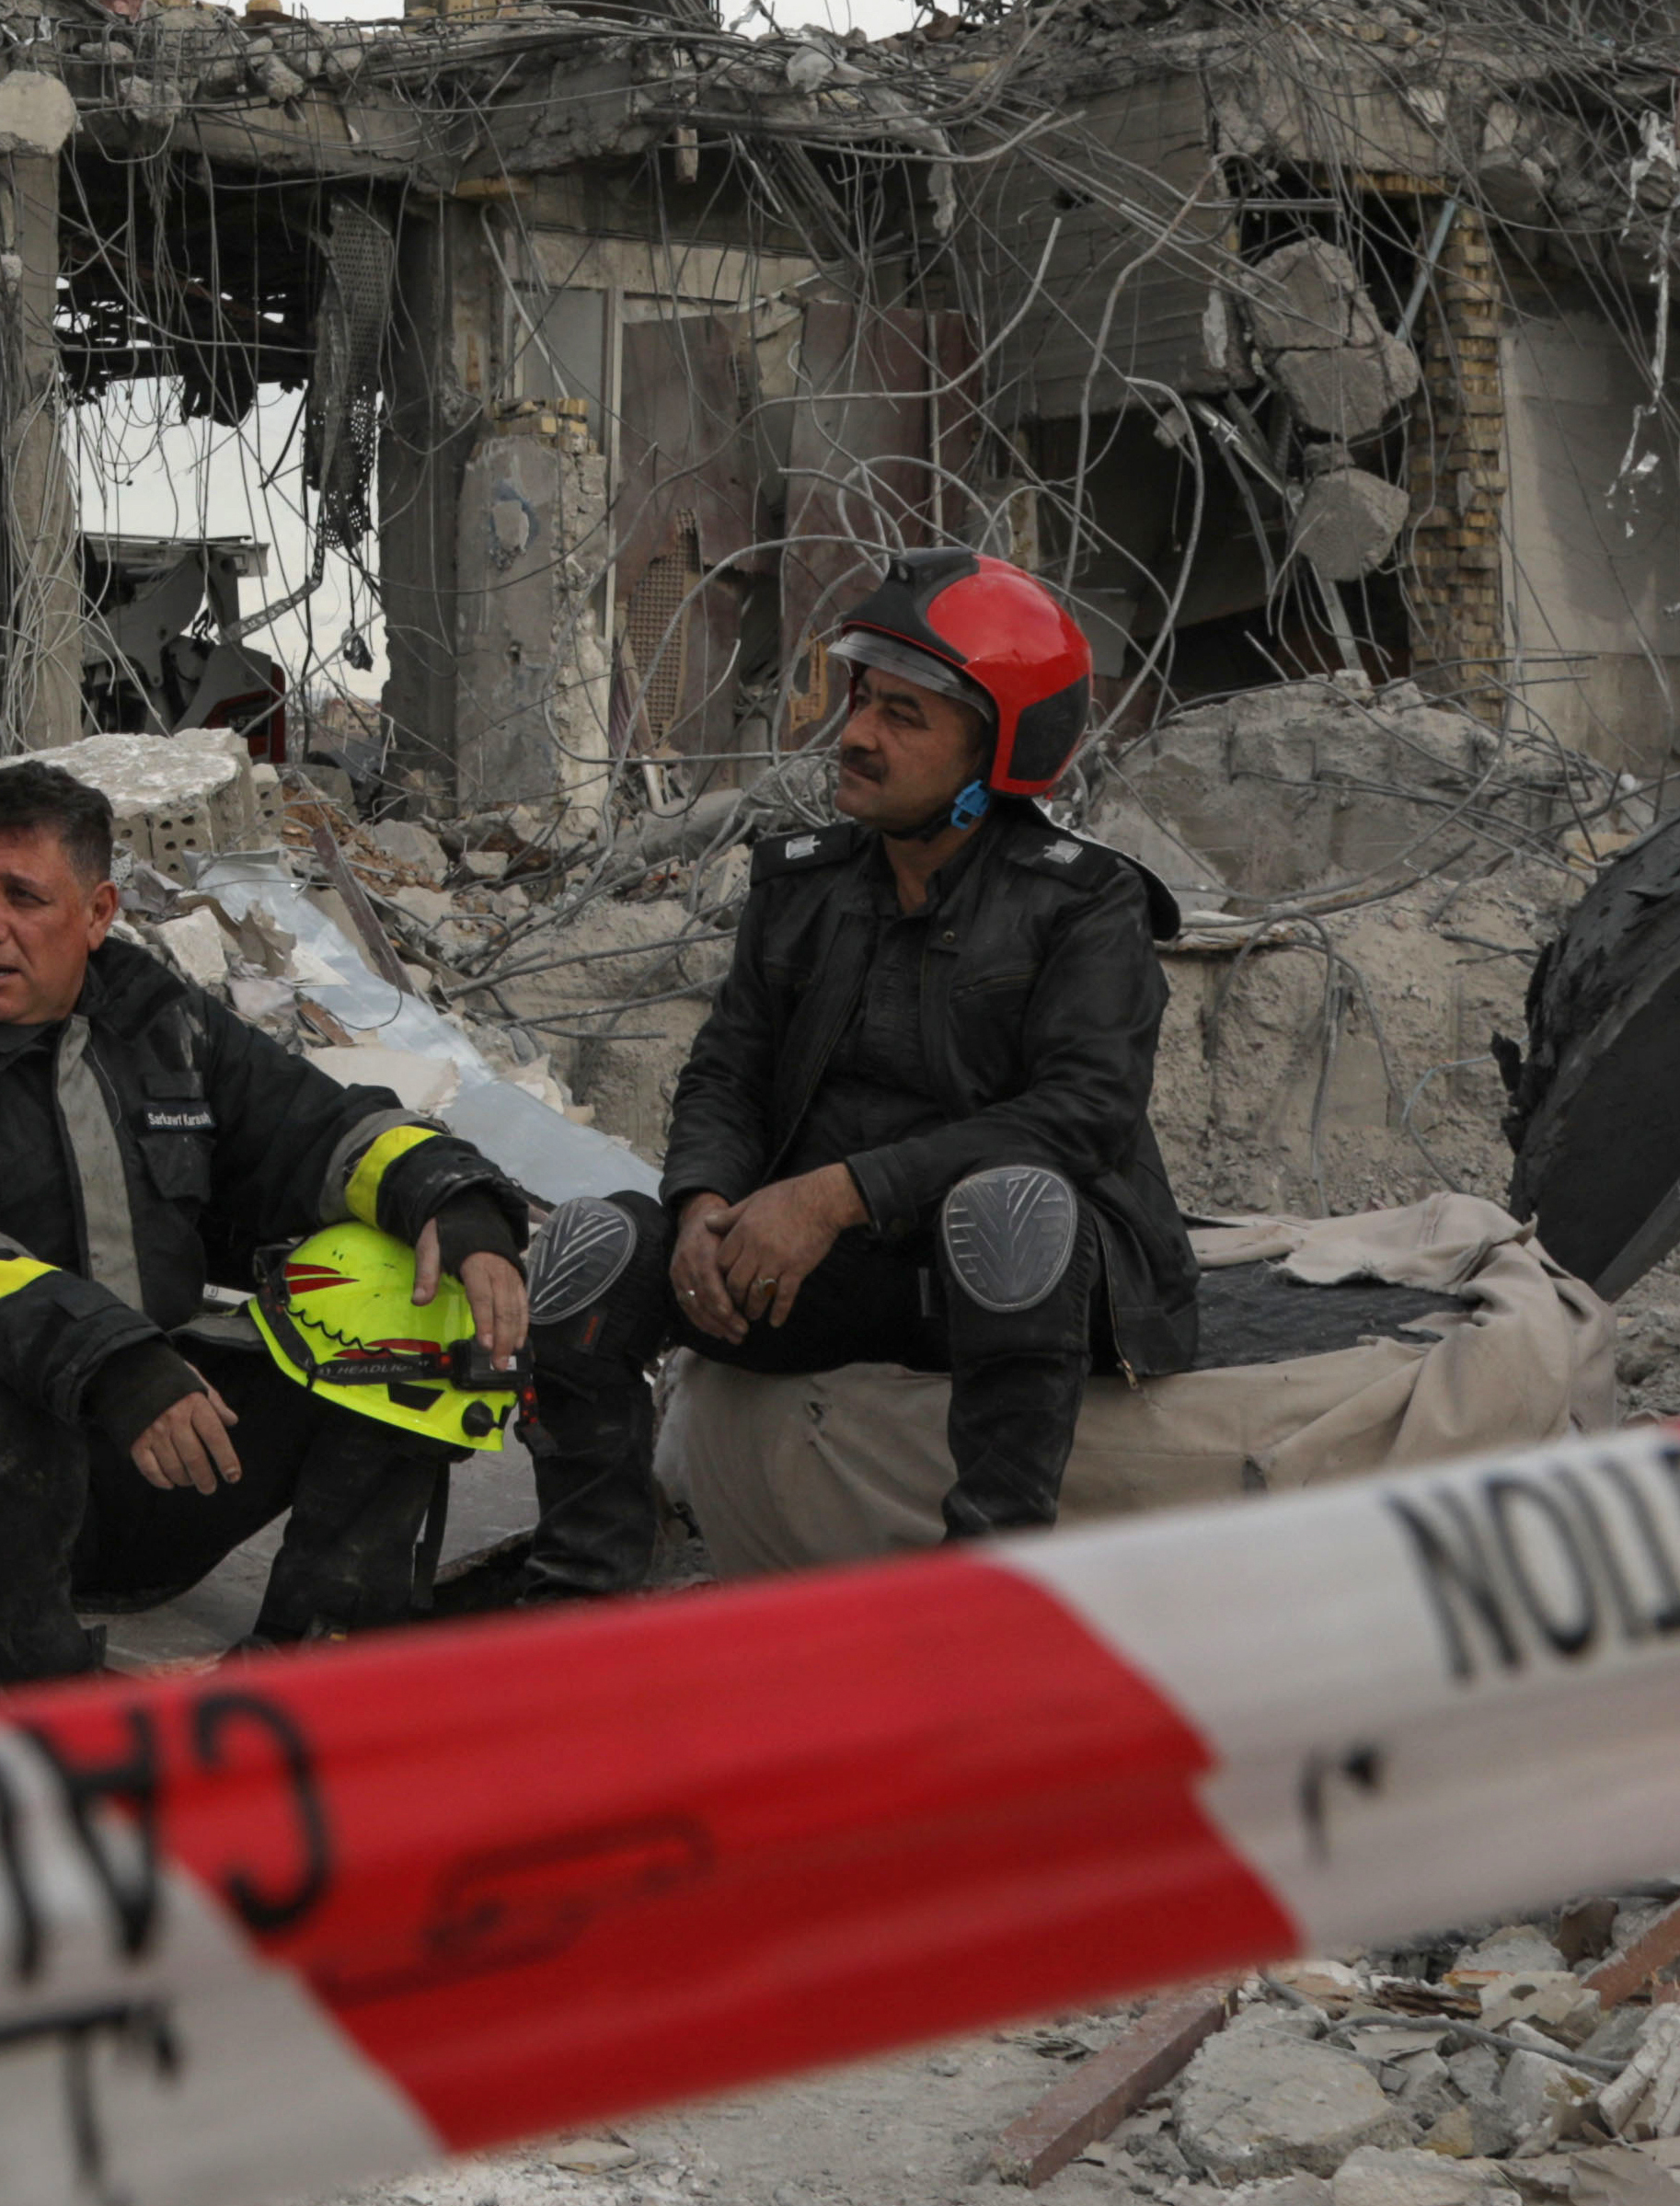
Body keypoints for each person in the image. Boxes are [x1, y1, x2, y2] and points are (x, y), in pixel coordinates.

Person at [506, 551, 1196, 1596]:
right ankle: (582, 1608)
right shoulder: (804, 886)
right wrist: (700, 1205)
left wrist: (834, 1196)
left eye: (906, 716)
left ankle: (983, 1599)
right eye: (863, 699)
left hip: (1017, 1283)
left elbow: (1079, 1116)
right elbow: (727, 1070)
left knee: (1006, 1210)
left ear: (995, 754)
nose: (859, 734)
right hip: (834, 1276)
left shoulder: (1083, 904)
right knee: (594, 1244)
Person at [0, 757, 535, 1680]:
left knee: (402, 1296)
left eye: (22, 895)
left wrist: (453, 1196)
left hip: (142, 1481)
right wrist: (110, 1359)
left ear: (98, 912)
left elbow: (314, 1128)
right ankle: (54, 1697)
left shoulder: (163, 1024)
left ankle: (305, 1662)